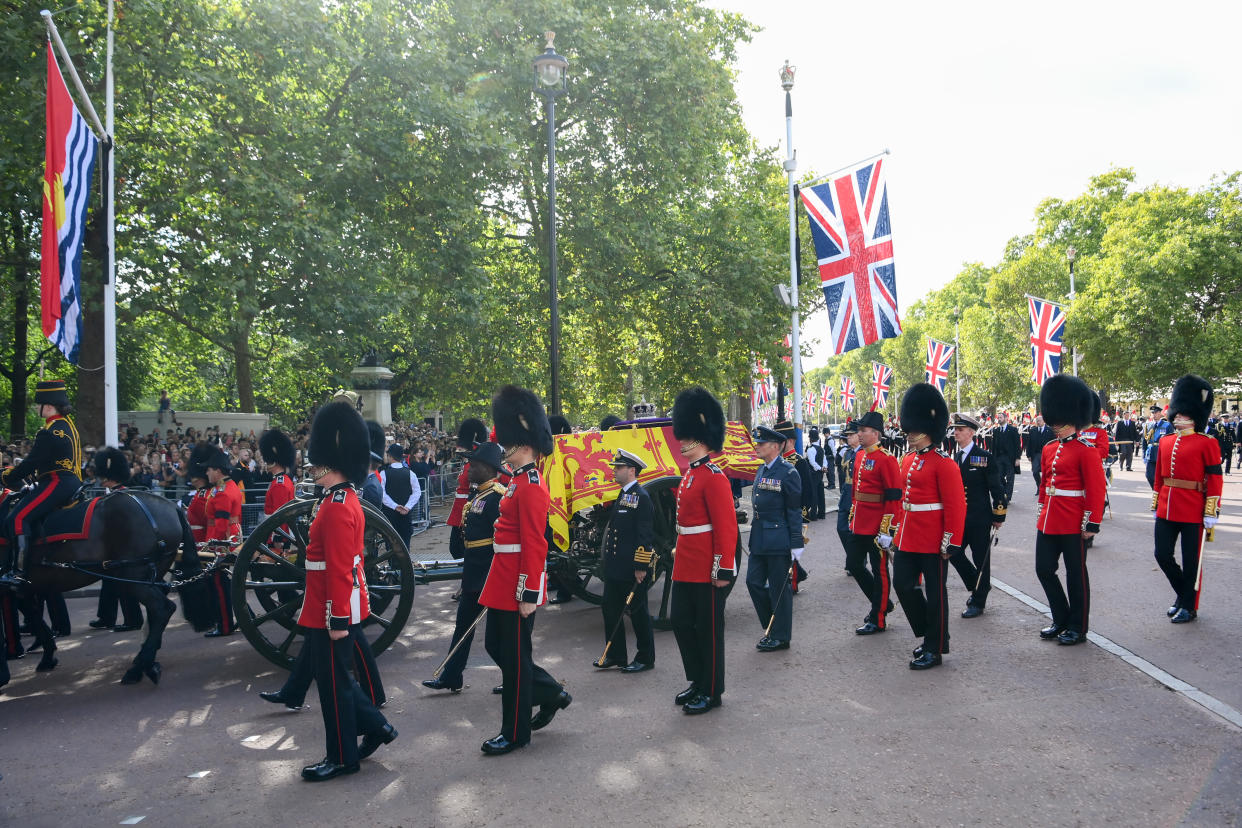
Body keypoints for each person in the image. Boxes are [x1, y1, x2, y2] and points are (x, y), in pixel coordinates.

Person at [297, 400, 396, 781]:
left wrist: (338, 618)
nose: (312, 467)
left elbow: (339, 569)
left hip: (330, 607)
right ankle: (376, 727)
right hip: (326, 604)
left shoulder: (338, 506)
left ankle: (342, 757)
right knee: (334, 680)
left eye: (316, 461)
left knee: (334, 687)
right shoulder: (338, 499)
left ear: (329, 463)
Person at [479, 386, 570, 755]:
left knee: (515, 664)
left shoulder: (531, 485)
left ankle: (515, 732)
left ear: (527, 445)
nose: (506, 450)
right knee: (496, 647)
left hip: (517, 584)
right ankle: (551, 692)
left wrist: (528, 593)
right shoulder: (516, 482)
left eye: (511, 444)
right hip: (502, 579)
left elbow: (535, 544)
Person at [669, 387, 737, 715]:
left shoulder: (714, 477)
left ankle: (711, 690)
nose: (680, 442)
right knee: (681, 622)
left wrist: (723, 567)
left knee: (708, 631)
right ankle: (696, 680)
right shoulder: (690, 475)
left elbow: (726, 527)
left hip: (707, 566)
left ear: (700, 438)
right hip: (685, 563)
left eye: (686, 437)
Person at [887, 384, 966, 669]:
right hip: (909, 535)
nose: (909, 434)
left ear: (927, 429)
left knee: (936, 593)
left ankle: (934, 647)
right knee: (903, 585)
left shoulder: (944, 464)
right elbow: (904, 501)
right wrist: (896, 532)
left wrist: (951, 540)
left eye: (913, 430)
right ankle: (933, 634)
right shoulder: (908, 459)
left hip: (934, 538)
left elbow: (956, 505)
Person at [423, 440, 505, 692]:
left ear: (488, 468)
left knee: (502, 636)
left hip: (490, 573)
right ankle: (451, 676)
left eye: (474, 464)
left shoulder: (498, 497)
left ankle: (516, 677)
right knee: (463, 626)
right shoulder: (478, 494)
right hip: (473, 571)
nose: (468, 469)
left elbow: (502, 541)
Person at [1034, 374, 1107, 646]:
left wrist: (1091, 523)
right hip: (1050, 518)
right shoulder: (1049, 448)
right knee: (1043, 569)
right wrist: (1042, 509)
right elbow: (1044, 483)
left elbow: (1096, 490)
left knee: (1076, 575)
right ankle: (1061, 617)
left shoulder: (1086, 450)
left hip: (1074, 520)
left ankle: (1078, 626)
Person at [1152, 375, 1223, 624]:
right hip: (1166, 508)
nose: (1178, 416)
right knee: (1162, 555)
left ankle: (1189, 607)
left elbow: (1215, 478)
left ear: (1194, 416)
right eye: (1178, 413)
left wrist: (1211, 510)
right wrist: (1156, 503)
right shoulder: (1165, 441)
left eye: (1184, 414)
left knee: (1192, 562)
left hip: (1193, 508)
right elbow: (1160, 476)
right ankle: (1184, 595)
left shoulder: (1207, 443)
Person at [0, 380, 82, 588]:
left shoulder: (50, 431)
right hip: (67, 480)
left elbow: (30, 464)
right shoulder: (66, 425)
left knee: (16, 518)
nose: (37, 408)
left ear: (49, 404)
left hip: (57, 481)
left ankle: (18, 572)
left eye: (39, 404)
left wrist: (5, 476)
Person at [595, 449, 657, 672]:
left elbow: (645, 535)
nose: (614, 471)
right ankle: (616, 655)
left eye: (618, 468)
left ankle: (645, 658)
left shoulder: (641, 497)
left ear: (631, 470)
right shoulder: (624, 494)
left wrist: (641, 566)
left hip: (632, 569)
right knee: (610, 609)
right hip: (616, 567)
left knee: (638, 613)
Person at [746, 425, 802, 652]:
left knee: (780, 589)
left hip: (779, 538)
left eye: (762, 443)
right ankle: (772, 626)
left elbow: (794, 510)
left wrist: (796, 542)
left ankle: (781, 636)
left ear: (776, 447)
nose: (757, 446)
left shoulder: (788, 473)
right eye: (757, 442)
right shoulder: (762, 470)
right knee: (753, 582)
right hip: (759, 535)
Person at [847, 411, 901, 635]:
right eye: (859, 431)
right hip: (860, 521)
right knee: (854, 565)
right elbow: (855, 491)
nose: (859, 434)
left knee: (880, 571)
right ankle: (883, 603)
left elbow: (894, 496)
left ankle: (878, 618)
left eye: (863, 431)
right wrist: (853, 513)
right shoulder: (860, 456)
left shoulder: (886, 459)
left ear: (876, 434)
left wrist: (887, 528)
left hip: (877, 524)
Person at [948, 413, 1007, 618]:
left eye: (960, 429)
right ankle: (978, 583)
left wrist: (999, 515)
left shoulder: (983, 457)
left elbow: (997, 488)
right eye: (955, 429)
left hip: (979, 518)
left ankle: (978, 601)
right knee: (953, 553)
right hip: (959, 519)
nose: (955, 432)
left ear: (971, 433)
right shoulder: (955, 457)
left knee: (981, 559)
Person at [88, 447, 144, 632]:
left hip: (123, 547)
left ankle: (132, 620)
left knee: (124, 585)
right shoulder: (114, 493)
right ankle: (106, 617)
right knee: (108, 583)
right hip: (113, 547)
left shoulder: (120, 495)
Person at [202, 448, 242, 637]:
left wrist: (210, 545)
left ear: (218, 470)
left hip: (221, 538)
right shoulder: (228, 486)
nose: (206, 473)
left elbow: (220, 524)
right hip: (229, 534)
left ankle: (225, 624)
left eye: (209, 469)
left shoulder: (222, 492)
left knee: (218, 583)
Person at [774, 420, 812, 588]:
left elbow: (808, 491)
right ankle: (797, 575)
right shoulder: (777, 461)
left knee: (791, 549)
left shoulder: (799, 461)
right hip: (779, 513)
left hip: (793, 512)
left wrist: (802, 514)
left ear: (789, 441)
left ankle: (794, 582)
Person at [447, 419, 488, 562]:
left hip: (468, 506)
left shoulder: (475, 462)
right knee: (456, 549)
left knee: (461, 549)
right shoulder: (468, 461)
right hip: (460, 507)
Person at [378, 444, 420, 551]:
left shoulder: (383, 473)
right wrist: (407, 507)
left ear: (391, 456)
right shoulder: (410, 473)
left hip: (390, 515)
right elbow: (417, 493)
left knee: (391, 546)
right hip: (406, 515)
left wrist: (395, 506)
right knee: (405, 546)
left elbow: (382, 494)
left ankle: (393, 566)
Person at [835, 421, 860, 570]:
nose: (848, 438)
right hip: (846, 494)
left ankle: (855, 561)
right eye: (848, 435)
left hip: (858, 494)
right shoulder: (847, 452)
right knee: (841, 528)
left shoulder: (863, 452)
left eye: (851, 435)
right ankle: (853, 557)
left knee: (855, 531)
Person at [990, 411, 1021, 503]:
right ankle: (1003, 492)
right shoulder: (996, 431)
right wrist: (993, 458)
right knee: (999, 477)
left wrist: (1017, 458)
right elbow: (993, 446)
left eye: (1000, 417)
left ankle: (1007, 497)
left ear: (1006, 418)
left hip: (1010, 458)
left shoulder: (1013, 430)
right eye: (998, 418)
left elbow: (1017, 445)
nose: (999, 419)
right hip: (999, 458)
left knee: (1010, 478)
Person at [1144, 405, 1174, 488]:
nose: (1154, 414)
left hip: (1161, 453)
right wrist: (1144, 455)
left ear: (1160, 413)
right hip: (1150, 454)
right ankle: (1156, 491)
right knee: (1149, 475)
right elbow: (1144, 442)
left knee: (1161, 476)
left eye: (1156, 412)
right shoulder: (1148, 425)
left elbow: (1171, 441)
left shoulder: (1167, 425)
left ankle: (1160, 493)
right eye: (1152, 413)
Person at [806, 427, 828, 518]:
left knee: (814, 493)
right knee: (821, 493)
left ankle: (813, 514)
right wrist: (824, 468)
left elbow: (812, 462)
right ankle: (822, 513)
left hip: (813, 473)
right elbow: (825, 460)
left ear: (810, 438)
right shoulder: (821, 449)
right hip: (820, 473)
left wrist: (820, 468)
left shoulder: (810, 449)